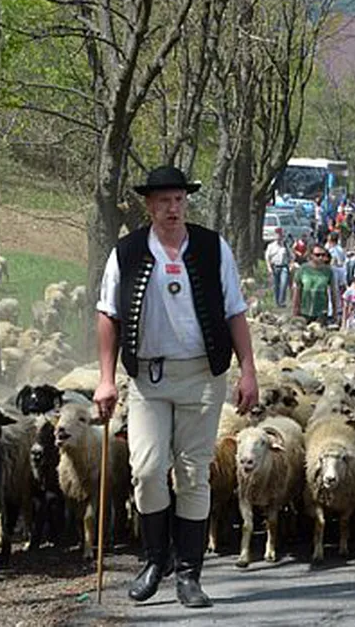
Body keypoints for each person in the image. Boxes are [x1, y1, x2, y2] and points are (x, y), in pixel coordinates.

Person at [94, 165, 259, 608]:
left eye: (179, 200)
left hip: (203, 375)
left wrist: (248, 370)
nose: (173, 208)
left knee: (192, 472)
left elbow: (234, 311)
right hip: (148, 377)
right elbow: (107, 314)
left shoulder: (211, 247)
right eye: (164, 201)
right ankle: (154, 560)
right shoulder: (126, 253)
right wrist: (107, 380)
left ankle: (188, 574)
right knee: (147, 470)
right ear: (149, 206)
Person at [292, 243, 337, 324]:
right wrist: (295, 311)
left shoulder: (328, 271)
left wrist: (334, 312)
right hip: (304, 310)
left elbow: (333, 292)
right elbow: (297, 292)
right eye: (317, 255)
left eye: (323, 255)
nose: (320, 257)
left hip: (321, 312)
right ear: (311, 255)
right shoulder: (303, 270)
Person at [264, 227, 291, 307]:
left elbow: (291, 256)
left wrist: (291, 264)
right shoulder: (271, 246)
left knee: (283, 284)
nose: (279, 237)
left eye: (281, 235)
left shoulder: (285, 245)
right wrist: (269, 267)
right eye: (278, 235)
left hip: (284, 267)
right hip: (274, 267)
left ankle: (281, 301)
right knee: (276, 285)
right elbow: (267, 257)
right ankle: (277, 302)